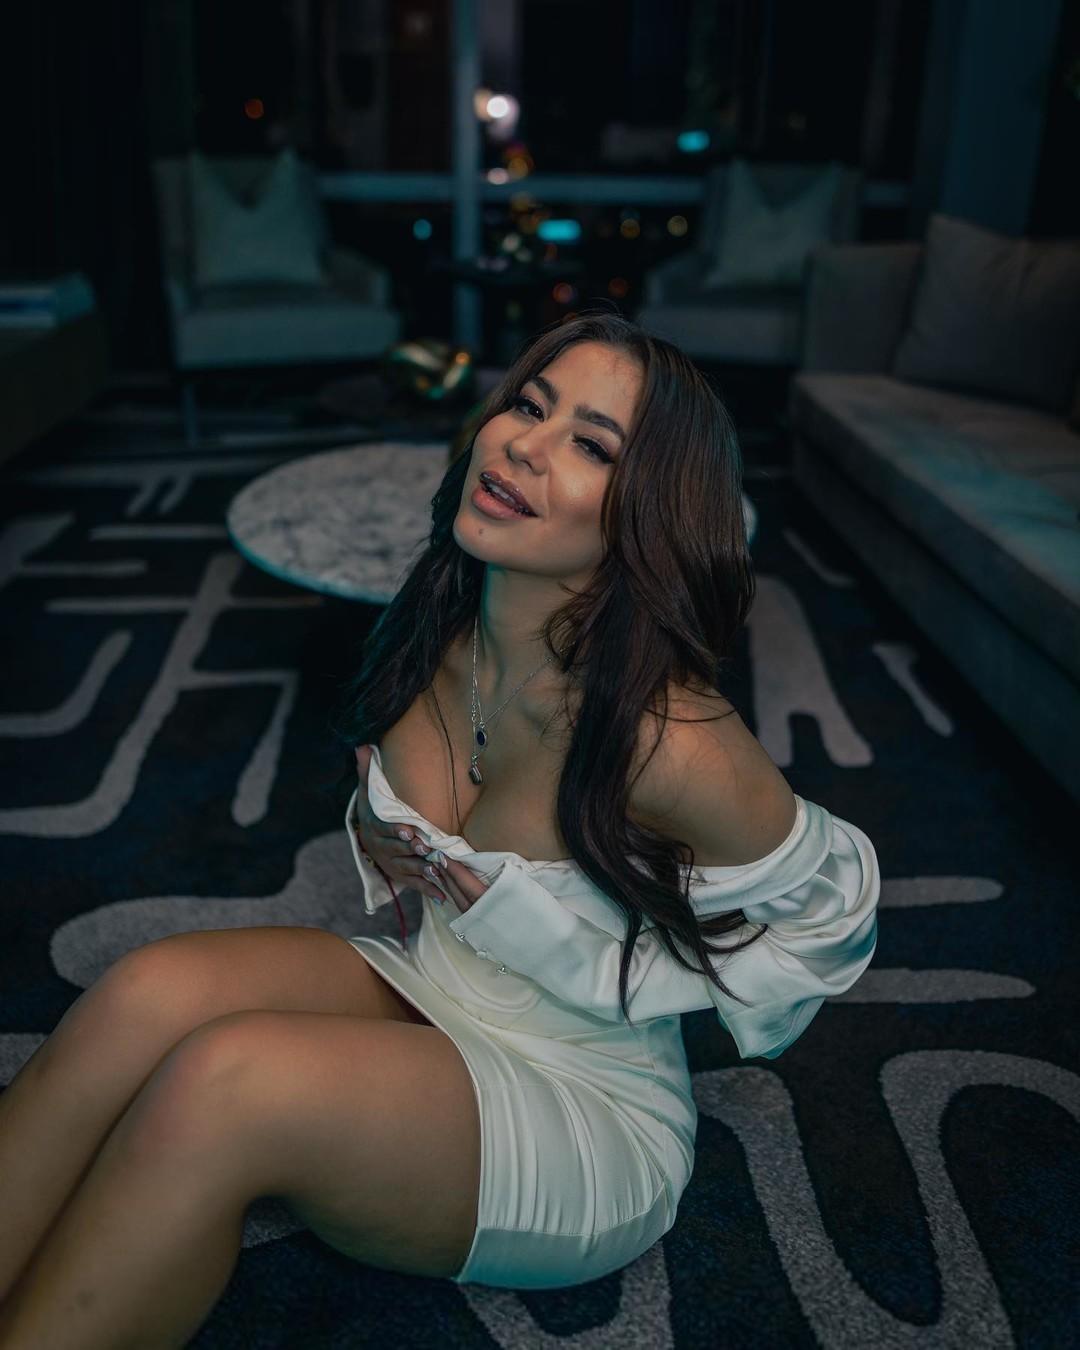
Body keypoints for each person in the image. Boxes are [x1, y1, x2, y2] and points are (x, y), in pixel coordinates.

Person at [0, 312, 879, 1344]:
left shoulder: (667, 736)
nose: (525, 445)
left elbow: (833, 925)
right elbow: (425, 815)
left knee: (225, 1083)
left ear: (646, 514)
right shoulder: (439, 625)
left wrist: (585, 956)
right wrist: (380, 838)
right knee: (145, 991)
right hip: (436, 988)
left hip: (584, 1104)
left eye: (592, 446)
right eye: (529, 405)